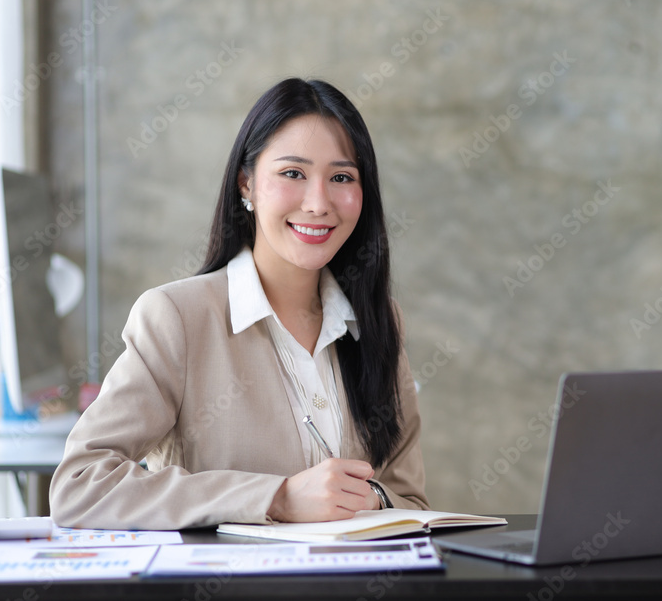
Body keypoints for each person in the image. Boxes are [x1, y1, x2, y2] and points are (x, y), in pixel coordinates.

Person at [49, 78, 429, 529]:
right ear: (246, 184)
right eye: (293, 173)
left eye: (342, 177)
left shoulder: (379, 321)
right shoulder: (177, 318)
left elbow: (411, 501)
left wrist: (372, 500)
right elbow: (80, 485)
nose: (318, 202)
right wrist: (275, 498)